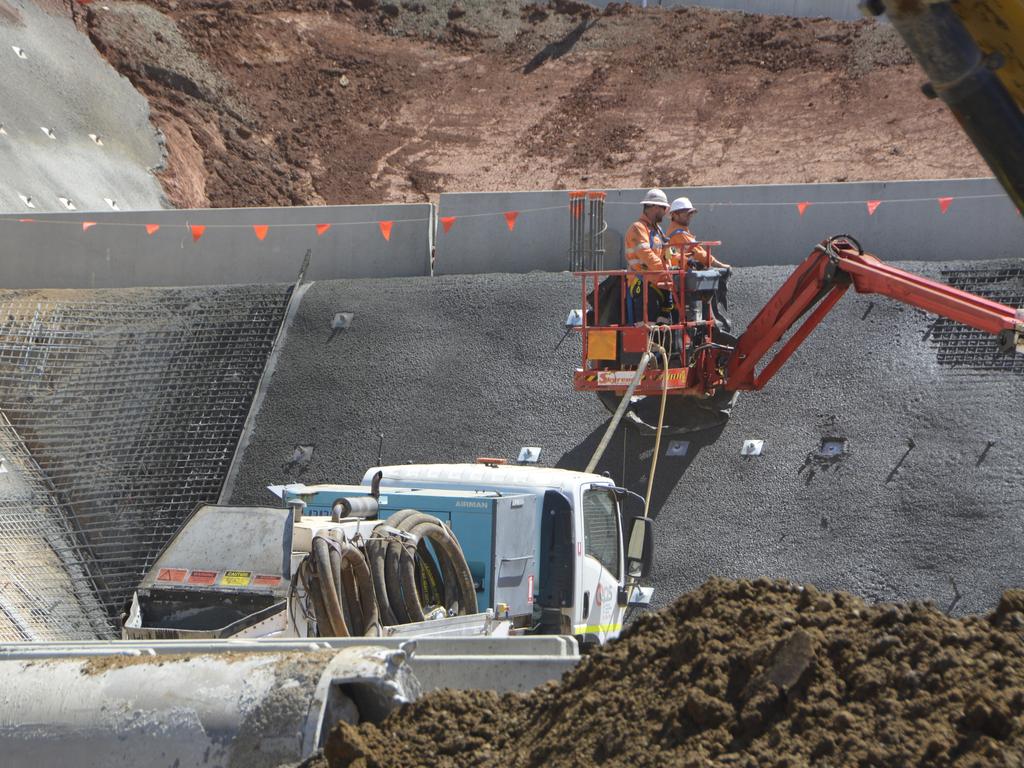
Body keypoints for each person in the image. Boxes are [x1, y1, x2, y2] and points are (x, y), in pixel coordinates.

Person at [623, 188, 673, 323]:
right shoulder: (638, 228)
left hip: (659, 283)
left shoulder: (658, 231)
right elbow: (646, 255)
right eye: (664, 209)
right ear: (655, 207)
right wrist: (665, 270)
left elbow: (665, 253)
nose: (665, 213)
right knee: (647, 325)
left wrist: (677, 263)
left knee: (665, 325)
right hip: (643, 283)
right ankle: (647, 343)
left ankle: (662, 343)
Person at [664, 197, 730, 270]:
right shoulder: (678, 233)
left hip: (677, 270)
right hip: (682, 274)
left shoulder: (675, 230)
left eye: (691, 213)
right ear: (674, 215)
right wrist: (719, 265)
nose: (689, 216)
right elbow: (698, 253)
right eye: (686, 214)